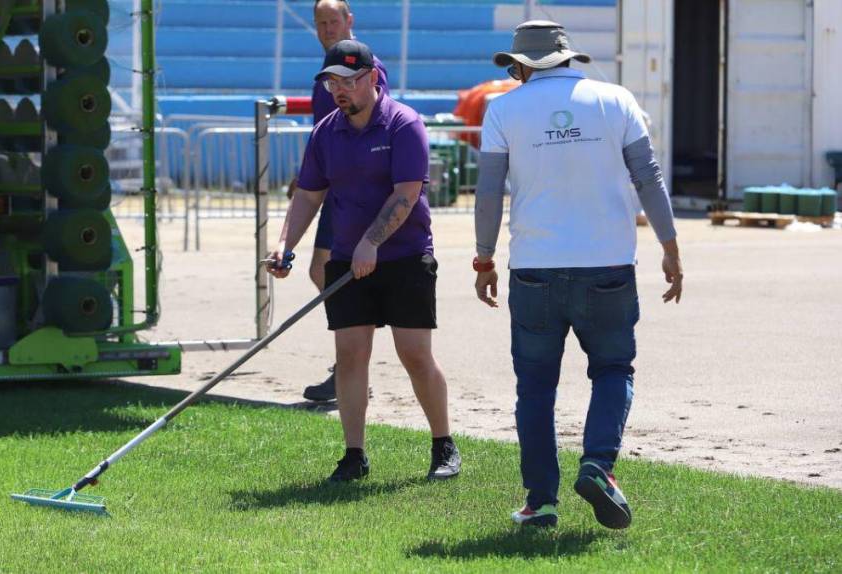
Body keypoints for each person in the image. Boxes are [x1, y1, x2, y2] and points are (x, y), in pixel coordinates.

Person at [473, 21, 684, 529]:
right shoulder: (617, 100)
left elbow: (487, 192)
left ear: (521, 66)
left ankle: (541, 501)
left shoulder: (502, 109)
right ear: (568, 57)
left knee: (536, 387)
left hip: (534, 269)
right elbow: (649, 179)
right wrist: (670, 249)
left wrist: (483, 260)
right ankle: (598, 466)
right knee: (613, 370)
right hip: (608, 264)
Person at [268, 39, 460, 482]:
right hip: (347, 258)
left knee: (415, 355)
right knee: (351, 354)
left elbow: (407, 193)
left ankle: (443, 444)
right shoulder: (325, 133)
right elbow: (309, 194)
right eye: (333, 81)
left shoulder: (403, 124)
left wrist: (372, 243)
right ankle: (354, 455)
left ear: (372, 78)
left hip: (405, 256)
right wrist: (284, 244)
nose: (340, 90)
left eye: (350, 81)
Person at [295, 0, 390, 403]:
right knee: (323, 271)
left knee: (329, 272)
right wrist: (305, 178)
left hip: (355, 186)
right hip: (333, 185)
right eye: (321, 22)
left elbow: (378, 119)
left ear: (349, 21)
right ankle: (350, 360)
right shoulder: (325, 73)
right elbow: (324, 132)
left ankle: (351, 363)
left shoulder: (367, 66)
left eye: (334, 21)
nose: (327, 27)